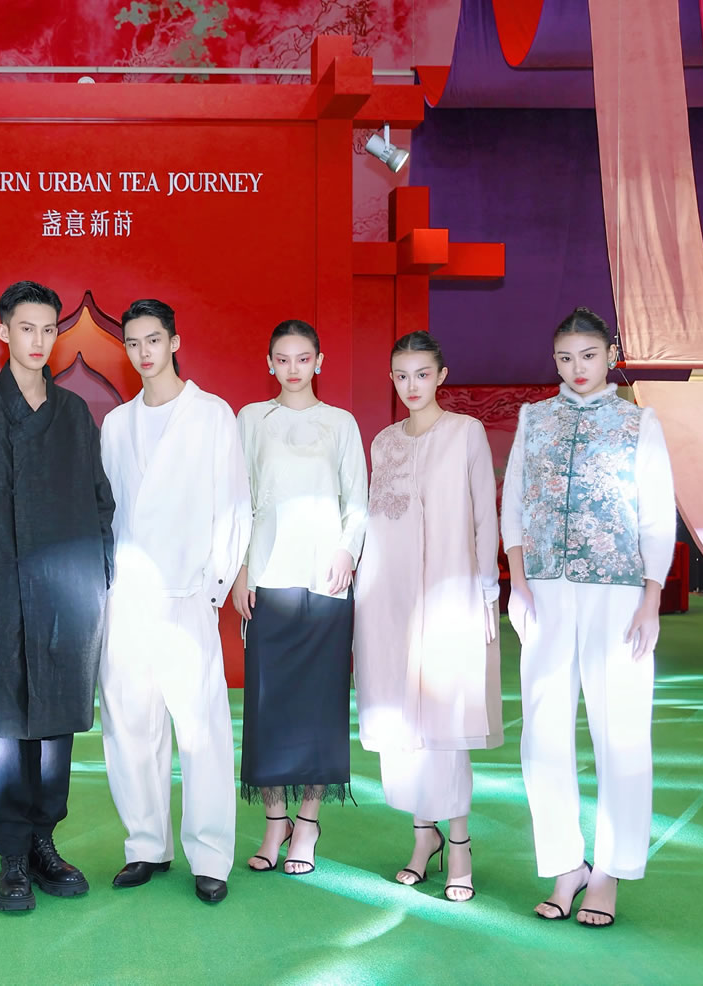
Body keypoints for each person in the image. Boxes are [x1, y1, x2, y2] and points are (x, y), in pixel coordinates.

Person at [0, 280, 115, 913]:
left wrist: (99, 577)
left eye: (47, 329)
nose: (38, 340)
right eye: (26, 328)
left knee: (56, 720)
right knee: (4, 722)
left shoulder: (73, 414)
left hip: (65, 594)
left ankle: (44, 843)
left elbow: (99, 500)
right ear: (3, 331)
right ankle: (10, 854)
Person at [503, 307, 675, 927]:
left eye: (588, 356)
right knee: (542, 732)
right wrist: (519, 582)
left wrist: (652, 596)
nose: (577, 369)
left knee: (620, 729)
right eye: (565, 358)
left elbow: (657, 511)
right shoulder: (534, 418)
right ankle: (564, 865)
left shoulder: (639, 423)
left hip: (620, 592)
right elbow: (514, 500)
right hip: (546, 591)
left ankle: (609, 873)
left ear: (610, 356)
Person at [100, 299, 251, 904]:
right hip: (127, 594)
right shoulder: (116, 424)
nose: (144, 352)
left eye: (153, 340)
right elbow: (108, 511)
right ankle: (145, 845)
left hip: (188, 593)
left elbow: (233, 503)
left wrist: (214, 584)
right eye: (133, 342)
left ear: (174, 342)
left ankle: (210, 854)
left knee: (200, 729)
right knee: (129, 725)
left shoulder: (212, 415)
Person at [354, 331, 502, 902]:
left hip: (448, 593)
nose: (411, 385)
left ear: (441, 375)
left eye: (421, 374)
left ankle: (458, 845)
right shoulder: (383, 442)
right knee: (402, 724)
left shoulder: (466, 433)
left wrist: (484, 586)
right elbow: (375, 524)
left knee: (445, 723)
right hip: (388, 598)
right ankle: (423, 839)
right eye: (401, 375)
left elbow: (483, 516)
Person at [232, 319, 367, 877]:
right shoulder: (251, 419)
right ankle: (274, 822)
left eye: (303, 358)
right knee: (267, 707)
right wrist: (240, 572)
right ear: (269, 363)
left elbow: (357, 501)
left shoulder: (340, 423)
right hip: (268, 579)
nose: (293, 368)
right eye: (282, 359)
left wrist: (347, 553)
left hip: (326, 583)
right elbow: (238, 499)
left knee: (320, 705)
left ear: (319, 362)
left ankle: (306, 824)